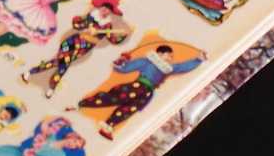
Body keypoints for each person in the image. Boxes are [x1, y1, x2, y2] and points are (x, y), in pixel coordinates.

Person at [76, 34, 206, 139]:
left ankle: (109, 125)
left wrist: (198, 59)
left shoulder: (168, 68)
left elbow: (183, 67)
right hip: (137, 86)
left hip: (147, 92)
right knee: (114, 98)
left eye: (171, 56)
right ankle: (85, 103)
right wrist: (121, 63)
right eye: (169, 55)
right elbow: (127, 68)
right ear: (160, 54)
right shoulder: (147, 61)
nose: (170, 58)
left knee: (129, 109)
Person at [21, 0, 131, 97]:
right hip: (72, 42)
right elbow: (77, 24)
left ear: (110, 12)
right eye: (104, 7)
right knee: (63, 64)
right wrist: (87, 26)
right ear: (100, 7)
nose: (105, 10)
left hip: (83, 49)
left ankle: (30, 73)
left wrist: (124, 34)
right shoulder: (91, 17)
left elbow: (113, 40)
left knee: (58, 63)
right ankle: (50, 87)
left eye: (108, 9)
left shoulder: (107, 26)